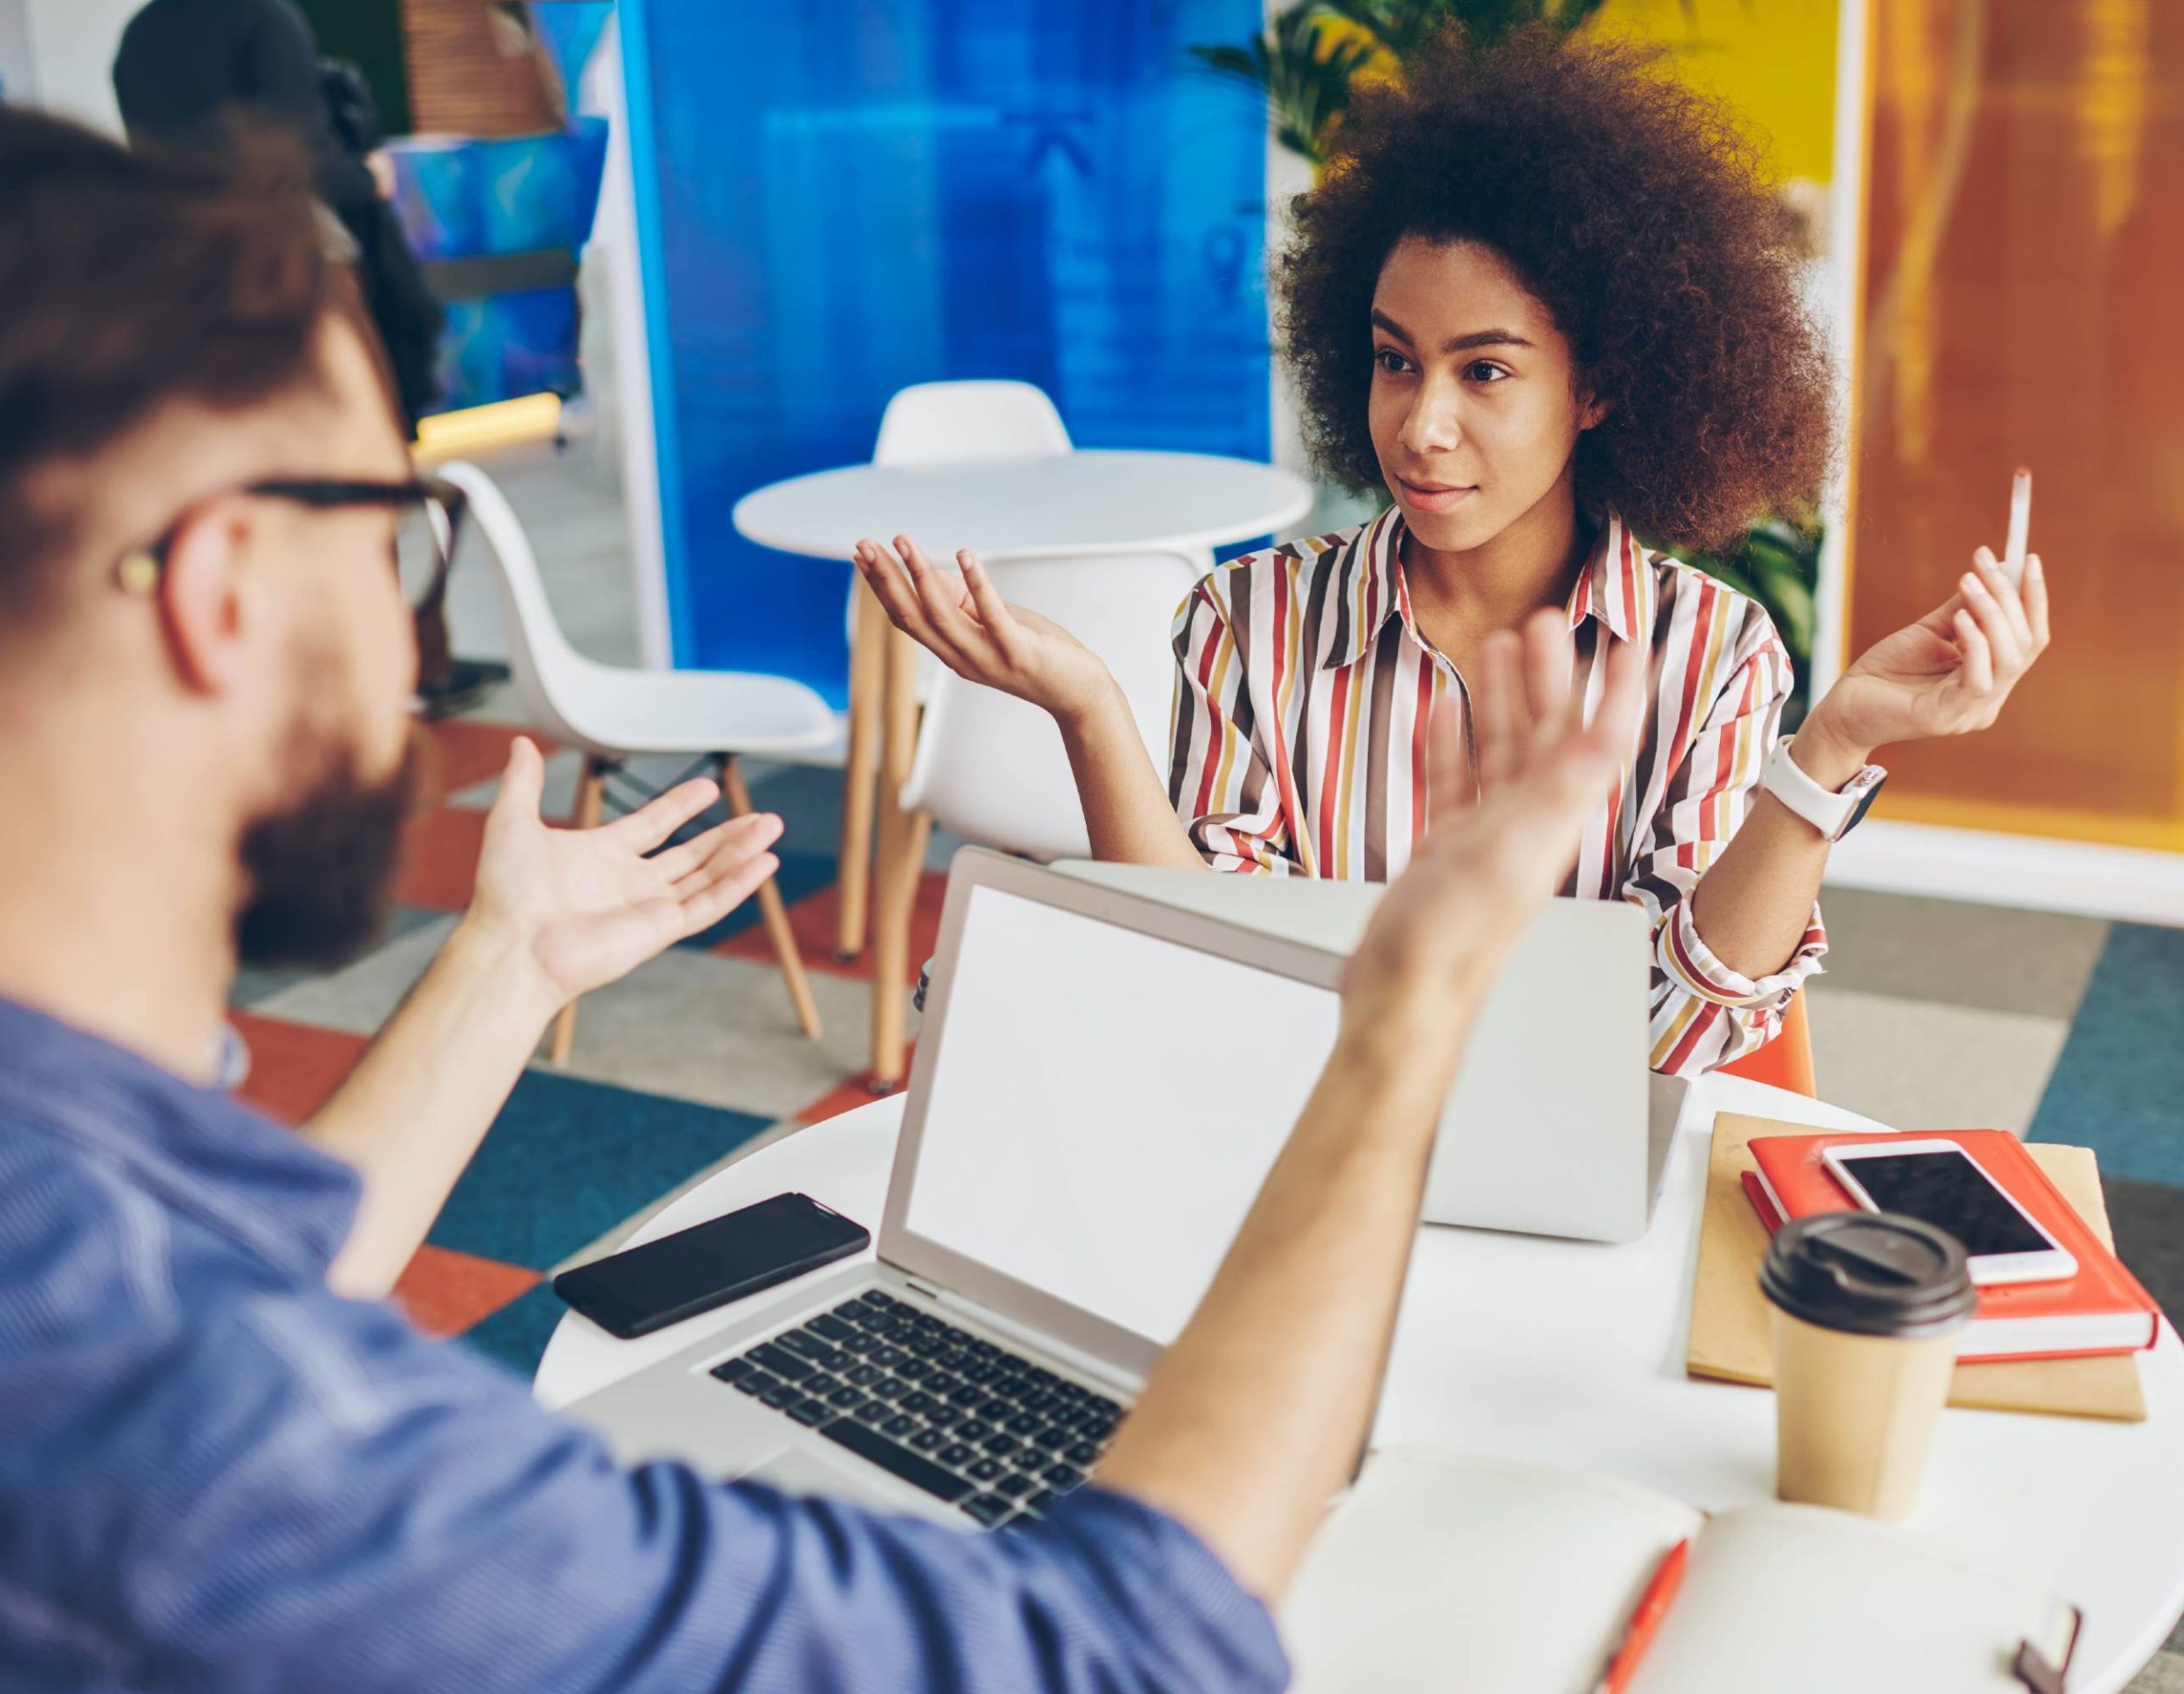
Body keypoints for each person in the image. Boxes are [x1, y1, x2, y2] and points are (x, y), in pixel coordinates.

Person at [0, 105, 1642, 1690]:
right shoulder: (187, 1462)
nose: (402, 633)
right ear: (223, 588)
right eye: (393, 534)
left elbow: (225, 1264)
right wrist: (1410, 996)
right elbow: (1122, 1655)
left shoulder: (11, 1204)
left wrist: (507, 966)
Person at [855, 28, 2052, 1076]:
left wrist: (1830, 747)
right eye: (1393, 360)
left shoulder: (1710, 651)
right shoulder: (1246, 621)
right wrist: (1089, 710)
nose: (1420, 424)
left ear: (1599, 386)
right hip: (1304, 1137)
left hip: (1579, 1161)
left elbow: (1682, 1025)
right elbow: (1210, 976)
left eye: (1485, 371)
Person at [114, 0, 491, 717]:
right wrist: (371, 178)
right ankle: (391, 675)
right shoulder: (263, 19)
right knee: (361, 479)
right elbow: (306, 158)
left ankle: (280, 682)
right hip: (293, 274)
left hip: (188, 285)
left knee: (245, 487)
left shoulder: (140, 36)